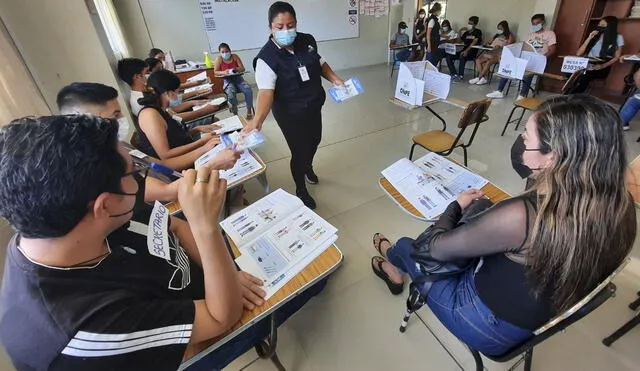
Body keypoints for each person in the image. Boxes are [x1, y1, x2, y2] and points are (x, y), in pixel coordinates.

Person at [0, 115, 326, 370]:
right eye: (134, 174)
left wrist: (226, 271)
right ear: (103, 204)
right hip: (189, 340)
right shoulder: (83, 328)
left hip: (205, 292)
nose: (143, 180)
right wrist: (208, 228)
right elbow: (219, 319)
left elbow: (174, 224)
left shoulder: (66, 221)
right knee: (316, 279)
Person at [370, 95, 636, 356]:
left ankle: (393, 263)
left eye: (526, 137)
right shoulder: (620, 203)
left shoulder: (522, 216)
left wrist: (454, 206)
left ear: (552, 156)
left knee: (410, 246)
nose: (520, 141)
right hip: (533, 316)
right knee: (481, 210)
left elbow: (436, 249)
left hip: (482, 322)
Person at [245, 1, 345, 209]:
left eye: (290, 25)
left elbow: (320, 63)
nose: (286, 30)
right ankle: (300, 188)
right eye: (279, 27)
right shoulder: (266, 58)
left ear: (296, 23)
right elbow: (265, 92)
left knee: (315, 140)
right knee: (299, 151)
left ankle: (307, 166)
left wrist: (335, 79)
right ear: (270, 27)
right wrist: (258, 120)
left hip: (312, 105)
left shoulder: (306, 41)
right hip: (290, 114)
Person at [136, 69, 240, 170]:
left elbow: (174, 136)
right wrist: (201, 144)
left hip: (185, 151)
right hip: (177, 164)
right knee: (226, 157)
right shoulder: (150, 115)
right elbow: (166, 155)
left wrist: (197, 129)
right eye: (177, 92)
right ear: (167, 93)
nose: (179, 96)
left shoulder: (162, 109)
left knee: (226, 145)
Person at [117, 58, 216, 122]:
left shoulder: (146, 91)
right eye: (146, 72)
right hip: (176, 129)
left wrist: (194, 102)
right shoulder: (141, 101)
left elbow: (171, 107)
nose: (149, 75)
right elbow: (173, 118)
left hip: (176, 122)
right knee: (212, 119)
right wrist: (202, 111)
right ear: (137, 77)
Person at [487, 14, 557, 100]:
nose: (535, 25)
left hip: (539, 60)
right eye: (533, 24)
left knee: (528, 70)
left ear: (543, 22)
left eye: (537, 23)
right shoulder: (529, 35)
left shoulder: (549, 34)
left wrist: (542, 58)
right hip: (527, 58)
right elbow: (522, 48)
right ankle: (499, 91)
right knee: (509, 65)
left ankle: (523, 95)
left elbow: (552, 50)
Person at [569, 16, 624, 94]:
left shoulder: (618, 37)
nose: (600, 27)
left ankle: (573, 96)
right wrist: (589, 38)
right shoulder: (596, 35)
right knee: (570, 72)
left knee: (584, 75)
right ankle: (569, 94)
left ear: (611, 26)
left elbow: (617, 57)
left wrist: (602, 66)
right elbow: (578, 53)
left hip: (601, 66)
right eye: (599, 25)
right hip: (587, 63)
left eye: (603, 25)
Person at [213, 42, 255, 119]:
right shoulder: (219, 59)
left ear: (230, 50)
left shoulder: (234, 56)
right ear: (220, 52)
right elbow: (215, 72)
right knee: (231, 95)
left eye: (226, 51)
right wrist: (224, 72)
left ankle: (249, 110)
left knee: (248, 90)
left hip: (238, 79)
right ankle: (235, 114)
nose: (225, 53)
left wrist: (235, 69)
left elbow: (242, 68)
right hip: (228, 81)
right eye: (222, 52)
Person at [469, 20, 515, 85]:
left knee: (488, 61)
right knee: (478, 60)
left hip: (499, 54)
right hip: (491, 52)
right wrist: (487, 43)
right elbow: (490, 42)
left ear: (505, 28)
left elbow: (509, 47)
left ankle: (479, 77)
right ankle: (482, 78)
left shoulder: (509, 36)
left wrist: (500, 46)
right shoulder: (497, 35)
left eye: (500, 29)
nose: (499, 30)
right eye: (498, 29)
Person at [444, 16, 482, 81]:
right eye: (468, 23)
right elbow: (459, 41)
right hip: (463, 51)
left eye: (471, 24)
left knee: (462, 56)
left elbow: (474, 42)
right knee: (449, 56)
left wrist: (466, 51)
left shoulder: (478, 32)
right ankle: (454, 74)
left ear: (475, 24)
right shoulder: (466, 33)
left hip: (472, 52)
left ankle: (460, 75)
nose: (469, 25)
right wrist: (460, 31)